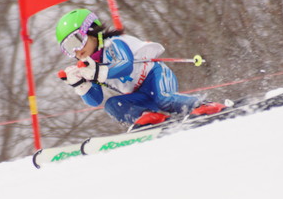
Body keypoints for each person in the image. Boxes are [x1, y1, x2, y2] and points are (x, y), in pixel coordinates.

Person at [55, 8, 224, 128]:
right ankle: (148, 117)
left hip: (155, 77)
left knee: (164, 99)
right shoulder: (90, 66)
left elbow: (125, 65)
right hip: (139, 96)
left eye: (76, 41)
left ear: (91, 31)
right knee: (112, 105)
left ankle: (202, 105)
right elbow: (96, 100)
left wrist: (99, 72)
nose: (76, 50)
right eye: (68, 48)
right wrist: (81, 86)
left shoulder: (113, 44)